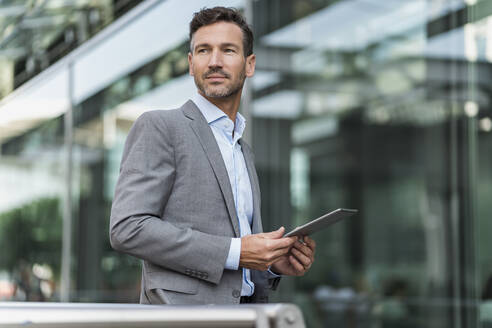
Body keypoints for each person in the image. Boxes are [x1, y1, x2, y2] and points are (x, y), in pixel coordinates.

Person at [109, 6, 316, 305]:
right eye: (204, 51)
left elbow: (240, 257)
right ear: (191, 63)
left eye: (228, 50)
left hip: (245, 316)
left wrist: (270, 264)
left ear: (250, 64)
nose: (215, 62)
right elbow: (127, 228)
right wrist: (236, 252)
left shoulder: (243, 150)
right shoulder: (160, 127)